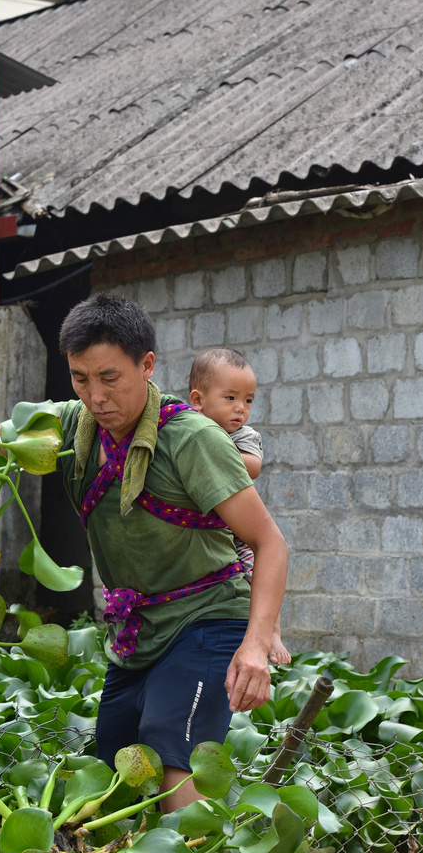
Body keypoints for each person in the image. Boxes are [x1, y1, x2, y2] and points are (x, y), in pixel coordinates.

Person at [51, 293, 287, 811]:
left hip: (206, 617)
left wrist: (256, 644)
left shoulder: (192, 439)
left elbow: (269, 542)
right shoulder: (74, 425)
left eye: (110, 378)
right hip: (136, 631)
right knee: (114, 764)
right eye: (80, 378)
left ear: (147, 365)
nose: (95, 396)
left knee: (169, 748)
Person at [187, 346, 291, 666]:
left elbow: (253, 466)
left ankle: (271, 631)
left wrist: (213, 456)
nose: (240, 409)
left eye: (248, 400)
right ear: (198, 400)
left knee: (256, 577)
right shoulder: (186, 430)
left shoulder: (243, 436)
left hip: (238, 532)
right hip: (204, 531)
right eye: (230, 398)